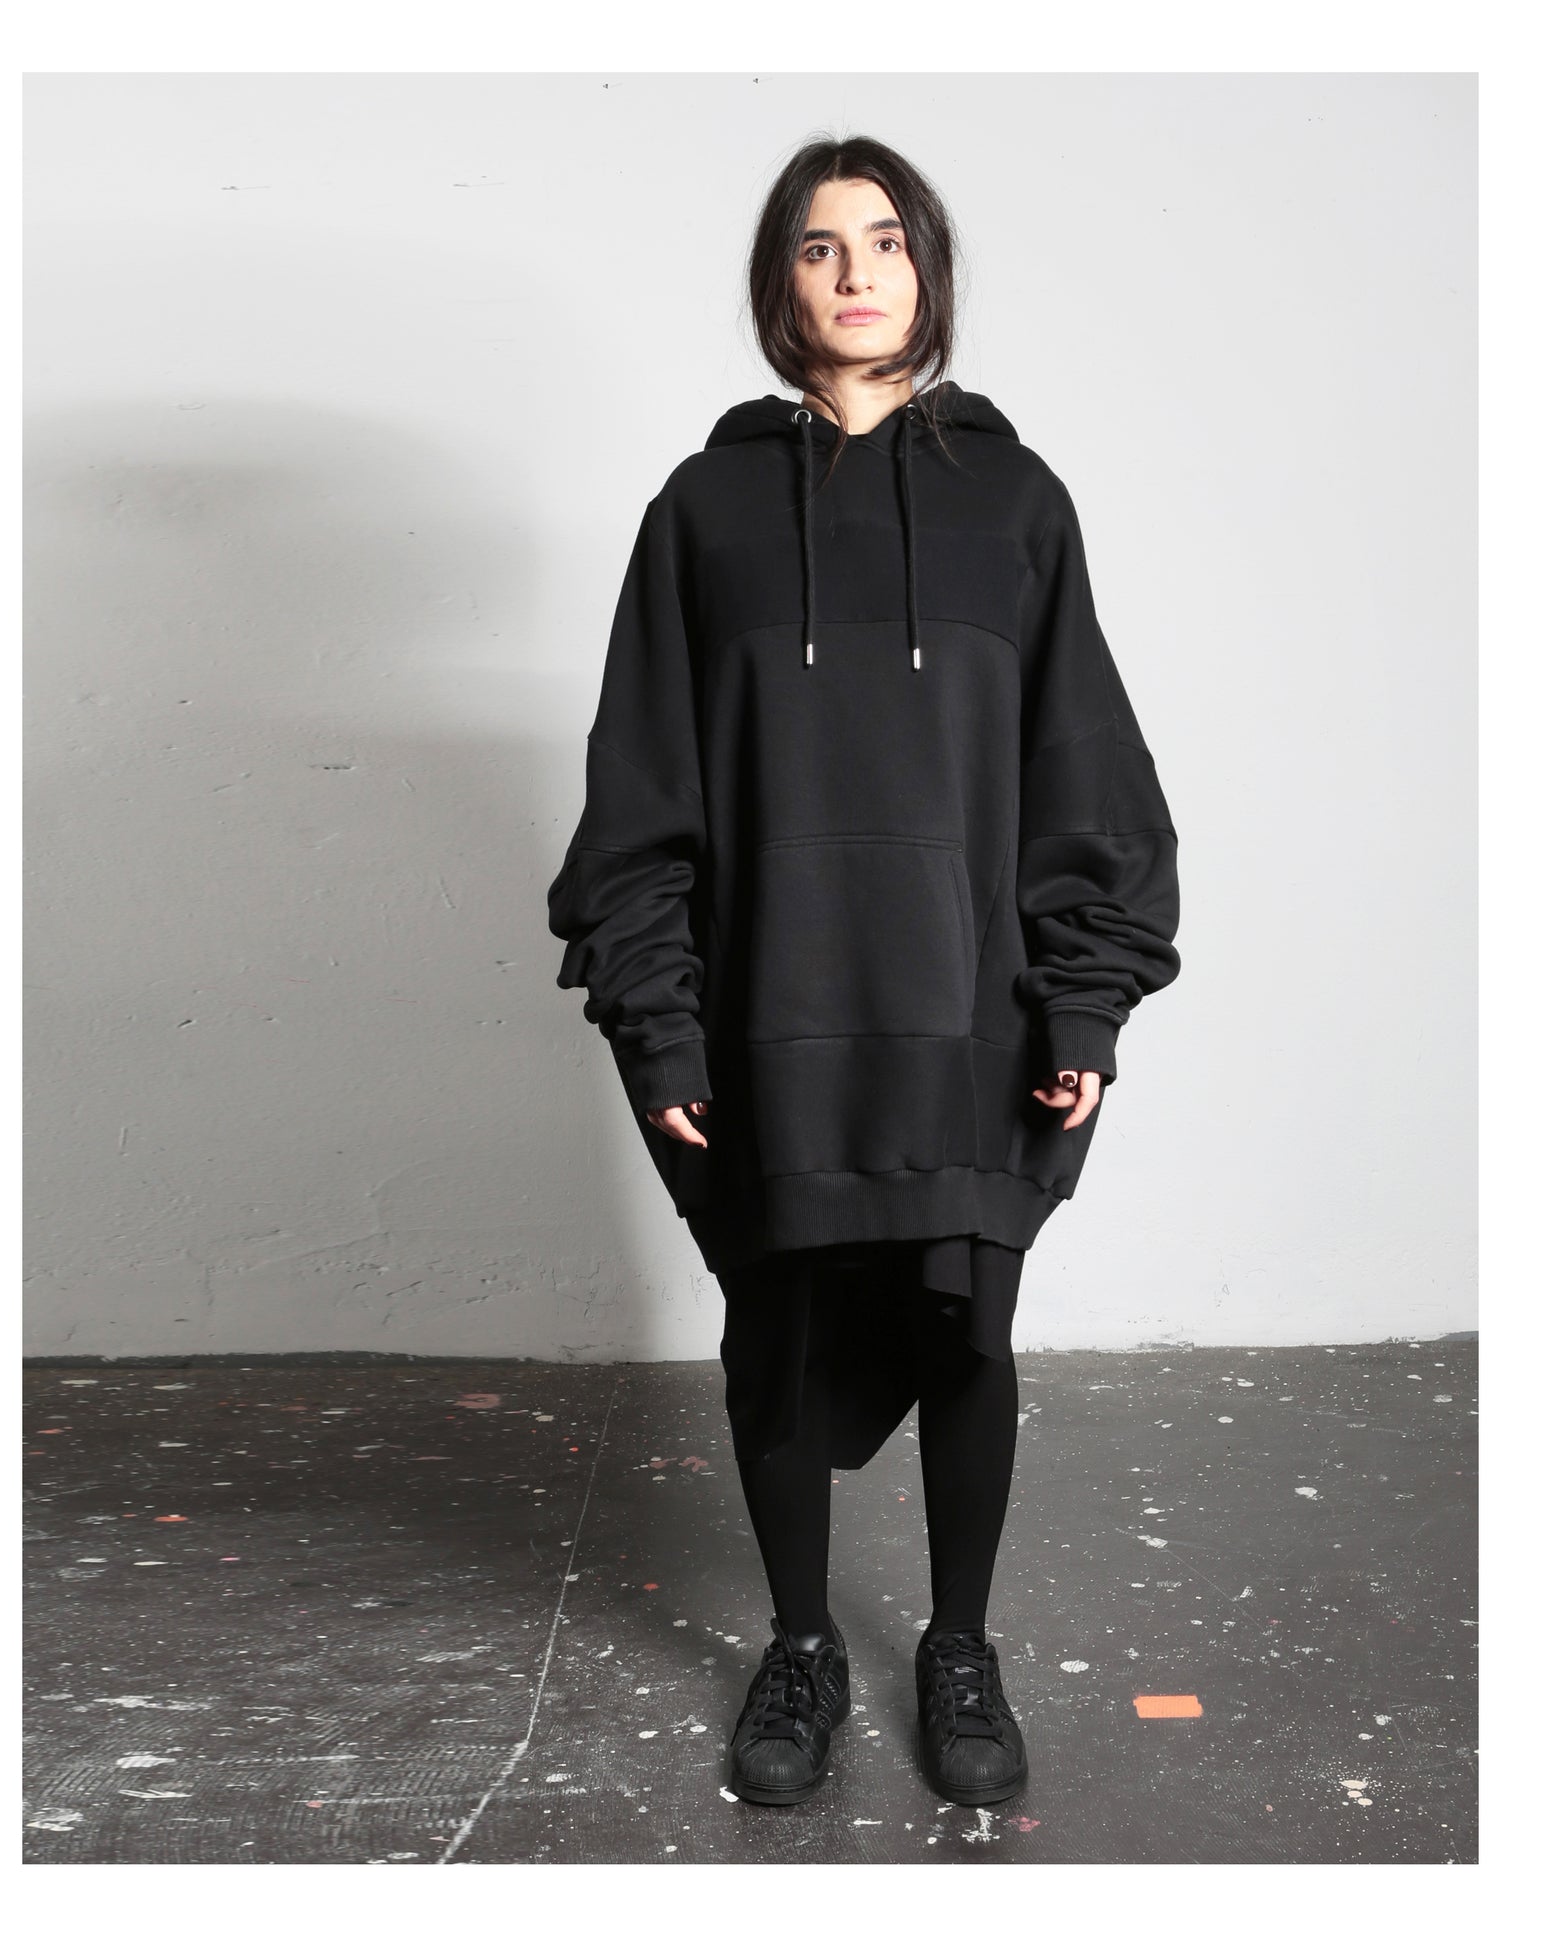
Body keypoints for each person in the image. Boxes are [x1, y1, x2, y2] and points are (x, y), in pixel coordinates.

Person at [545, 134, 1181, 1810]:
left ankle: (958, 1643)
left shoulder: (1014, 505)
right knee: (778, 1331)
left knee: (972, 1333)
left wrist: (1082, 998)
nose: (854, 273)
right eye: (819, 246)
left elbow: (1081, 775)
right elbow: (641, 791)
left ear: (926, 270)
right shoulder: (701, 515)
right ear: (780, 280)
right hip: (774, 1015)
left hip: (967, 1012)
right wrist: (662, 1025)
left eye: (884, 241)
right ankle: (803, 1642)